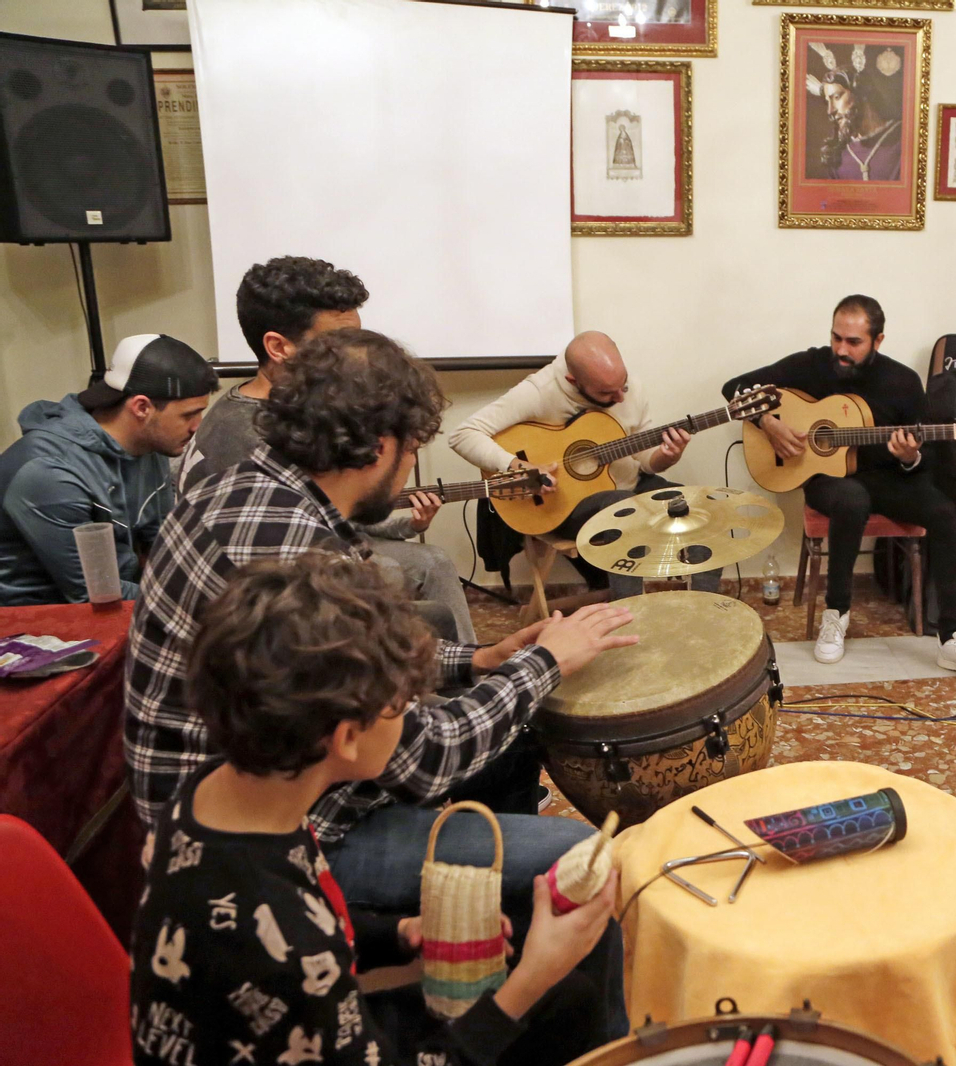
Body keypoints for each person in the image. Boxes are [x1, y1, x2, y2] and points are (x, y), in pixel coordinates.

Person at [126, 328, 638, 1034]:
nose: (410, 470)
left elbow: (335, 662)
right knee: (576, 859)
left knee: (513, 746)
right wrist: (544, 664)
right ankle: (574, 1030)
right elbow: (417, 760)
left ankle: (488, 949)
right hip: (288, 822)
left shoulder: (263, 489)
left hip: (249, 784)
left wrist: (476, 661)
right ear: (378, 448)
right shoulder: (291, 543)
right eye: (411, 449)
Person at [130, 553, 617, 1066]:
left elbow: (315, 914)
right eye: (403, 705)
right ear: (345, 738)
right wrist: (530, 979)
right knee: (549, 994)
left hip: (300, 1020)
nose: (413, 713)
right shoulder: (271, 942)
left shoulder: (216, 793)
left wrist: (401, 933)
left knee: (568, 1002)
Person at [180, 256, 476, 643]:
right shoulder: (246, 437)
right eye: (335, 345)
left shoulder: (287, 417)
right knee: (409, 567)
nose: (354, 357)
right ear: (277, 346)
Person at [722, 294, 956, 676]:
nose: (841, 350)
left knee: (944, 511)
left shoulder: (901, 381)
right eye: (837, 338)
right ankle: (836, 614)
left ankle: (952, 638)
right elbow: (735, 388)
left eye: (853, 342)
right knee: (851, 499)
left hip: (886, 478)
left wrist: (908, 457)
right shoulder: (812, 364)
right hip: (825, 478)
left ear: (878, 341)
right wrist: (769, 423)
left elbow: (926, 461)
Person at [449, 330, 721, 598]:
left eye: (623, 386)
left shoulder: (627, 388)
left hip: (629, 487)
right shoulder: (540, 391)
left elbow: (646, 463)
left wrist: (666, 456)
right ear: (573, 380)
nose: (621, 398)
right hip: (564, 505)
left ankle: (702, 606)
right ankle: (633, 618)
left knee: (696, 504)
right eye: (607, 393)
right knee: (623, 508)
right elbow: (463, 435)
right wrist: (519, 466)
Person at [0, 334, 216, 606]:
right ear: (141, 407)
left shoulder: (151, 444)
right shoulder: (50, 473)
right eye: (188, 415)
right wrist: (207, 600)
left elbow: (161, 543)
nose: (197, 426)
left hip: (109, 597)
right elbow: (95, 595)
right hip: (28, 624)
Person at [812, 65, 902, 182]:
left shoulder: (901, 137)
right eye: (827, 102)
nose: (830, 110)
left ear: (860, 93)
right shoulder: (837, 154)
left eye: (837, 97)